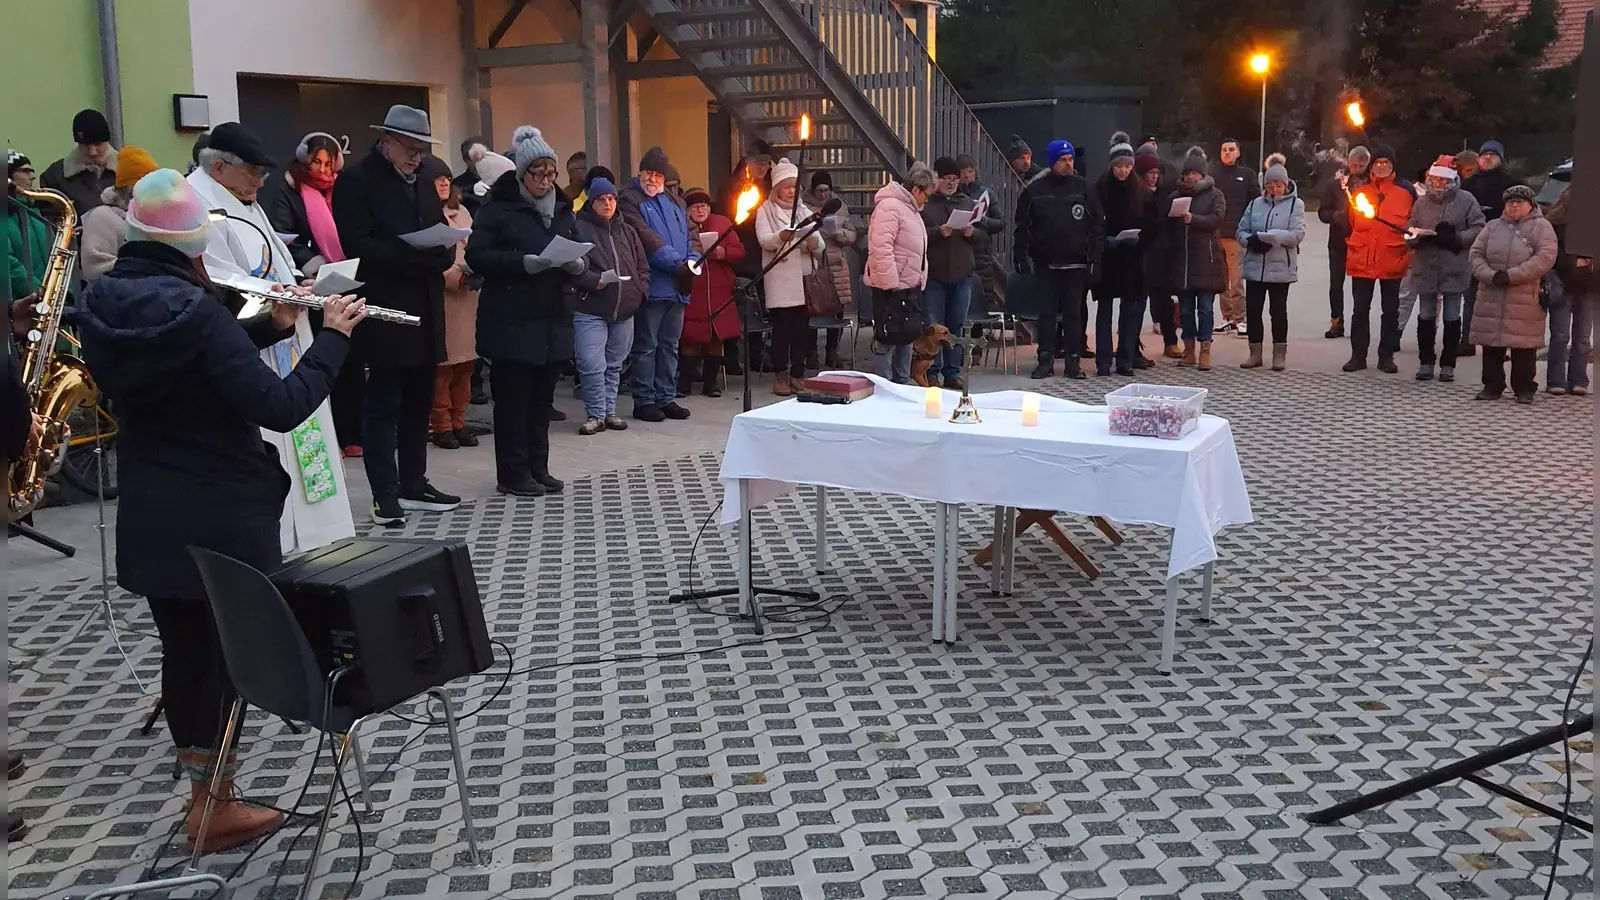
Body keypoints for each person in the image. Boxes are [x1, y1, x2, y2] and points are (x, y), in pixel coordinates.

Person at [78, 168, 367, 855]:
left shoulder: (104, 303)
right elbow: (278, 406)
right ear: (193, 248)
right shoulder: (199, 310)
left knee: (184, 656)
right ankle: (217, 807)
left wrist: (273, 321)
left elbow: (188, 369)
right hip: (223, 514)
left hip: (153, 509)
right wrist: (333, 338)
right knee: (228, 659)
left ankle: (204, 801)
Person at [333, 105, 461, 523]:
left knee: (418, 402)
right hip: (386, 306)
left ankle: (413, 483)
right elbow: (357, 243)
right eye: (409, 148)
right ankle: (383, 494)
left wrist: (440, 253)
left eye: (422, 150)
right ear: (385, 141)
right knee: (384, 405)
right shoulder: (356, 181)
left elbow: (439, 234)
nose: (417, 157)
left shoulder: (424, 180)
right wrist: (413, 259)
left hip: (425, 305)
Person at [465, 126, 582, 495]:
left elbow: (575, 243)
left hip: (551, 319)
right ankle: (513, 475)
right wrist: (522, 262)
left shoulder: (561, 207)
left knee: (540, 402)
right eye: (538, 173)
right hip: (511, 319)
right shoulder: (498, 208)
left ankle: (538, 467)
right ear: (521, 173)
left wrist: (578, 264)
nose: (546, 181)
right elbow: (477, 255)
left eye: (552, 172)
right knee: (514, 402)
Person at [266, 132, 366, 456]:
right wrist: (310, 260)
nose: (323, 169)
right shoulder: (289, 192)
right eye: (316, 161)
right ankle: (331, 431)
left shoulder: (346, 191)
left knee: (352, 361)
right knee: (323, 358)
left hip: (347, 281)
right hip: (311, 286)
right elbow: (283, 237)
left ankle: (353, 432)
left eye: (328, 162)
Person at [618, 146, 699, 421]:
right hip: (653, 284)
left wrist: (694, 260)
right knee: (647, 344)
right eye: (648, 172)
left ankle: (666, 396)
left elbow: (693, 236)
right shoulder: (629, 200)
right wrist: (679, 264)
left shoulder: (676, 202)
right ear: (640, 172)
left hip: (678, 286)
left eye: (657, 174)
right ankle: (644, 399)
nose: (652, 179)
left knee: (669, 344)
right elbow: (646, 238)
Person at [1015, 140, 1103, 379]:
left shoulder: (1084, 188)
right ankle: (1045, 359)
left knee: (1074, 314)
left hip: (1076, 263)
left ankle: (1073, 362)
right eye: (1063, 160)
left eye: (1070, 159)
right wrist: (1020, 255)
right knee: (1047, 314)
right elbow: (1022, 225)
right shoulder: (1035, 190)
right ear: (1053, 161)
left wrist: (1094, 258)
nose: (1068, 164)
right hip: (1047, 263)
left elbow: (1097, 226)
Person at [571, 176, 651, 431]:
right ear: (592, 202)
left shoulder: (626, 230)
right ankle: (595, 414)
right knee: (591, 363)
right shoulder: (579, 228)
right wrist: (594, 281)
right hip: (590, 306)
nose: (608, 204)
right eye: (602, 200)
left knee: (614, 364)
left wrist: (640, 291)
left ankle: (609, 411)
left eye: (612, 199)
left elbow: (642, 265)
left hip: (625, 308)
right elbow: (571, 266)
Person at [1468, 184, 1557, 403]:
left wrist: (1512, 276)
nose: (1514, 205)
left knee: (1523, 345)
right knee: (1491, 343)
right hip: (1491, 294)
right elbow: (1476, 254)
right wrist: (1489, 275)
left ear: (1530, 205)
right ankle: (1492, 385)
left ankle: (1524, 388)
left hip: (1525, 295)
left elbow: (1544, 258)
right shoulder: (1492, 226)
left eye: (1519, 202)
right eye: (1510, 202)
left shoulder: (1542, 227)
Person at [1404, 155, 1485, 382]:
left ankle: (1448, 364)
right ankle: (1426, 362)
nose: (1438, 184)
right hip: (1426, 265)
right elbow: (1410, 227)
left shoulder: (1466, 200)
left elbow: (1479, 227)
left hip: (1454, 266)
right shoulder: (1421, 202)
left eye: (1443, 180)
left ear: (1452, 181)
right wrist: (1415, 237)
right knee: (1426, 315)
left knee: (1452, 315)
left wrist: (1457, 238)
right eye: (1435, 179)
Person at [420, 156, 480, 450]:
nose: (444, 182)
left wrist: (477, 269)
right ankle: (440, 424)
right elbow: (429, 257)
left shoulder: (463, 212)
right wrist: (454, 276)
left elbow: (475, 246)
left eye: (447, 177)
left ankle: (459, 421)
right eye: (436, 178)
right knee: (442, 368)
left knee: (465, 365)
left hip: (468, 299)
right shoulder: (422, 213)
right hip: (442, 298)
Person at [754, 159, 827, 395]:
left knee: (801, 331)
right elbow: (764, 240)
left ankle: (798, 374)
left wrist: (811, 240)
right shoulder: (765, 211)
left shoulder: (805, 210)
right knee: (782, 331)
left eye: (795, 186)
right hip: (780, 281)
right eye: (787, 186)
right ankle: (780, 375)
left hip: (803, 280)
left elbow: (821, 245)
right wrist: (782, 236)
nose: (791, 191)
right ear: (777, 188)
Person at [1342, 145, 1412, 374]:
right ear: (1371, 167)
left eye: (1386, 163)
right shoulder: (1361, 192)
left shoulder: (1405, 193)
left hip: (1392, 258)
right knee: (1360, 310)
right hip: (1362, 259)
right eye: (1378, 163)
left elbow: (1412, 225)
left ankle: (1386, 357)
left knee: (1390, 311)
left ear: (1393, 166)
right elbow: (1353, 223)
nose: (1382, 167)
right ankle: (1358, 356)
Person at [1153, 150, 1224, 370]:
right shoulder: (1175, 197)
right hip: (1182, 261)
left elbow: (1217, 219)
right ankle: (1188, 349)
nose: (1190, 177)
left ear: (1202, 175)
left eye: (1195, 173)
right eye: (1187, 173)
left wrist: (1194, 219)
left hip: (1206, 261)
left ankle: (1205, 351)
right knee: (1184, 310)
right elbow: (1163, 225)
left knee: (1205, 308)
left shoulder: (1215, 195)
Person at [865, 164, 934, 383]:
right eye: (927, 195)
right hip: (893, 286)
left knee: (907, 334)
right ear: (916, 190)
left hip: (908, 284)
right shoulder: (890, 207)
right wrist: (890, 282)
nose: (927, 201)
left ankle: (902, 382)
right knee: (887, 334)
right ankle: (884, 384)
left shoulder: (910, 209)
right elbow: (880, 246)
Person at [1235, 163, 1305, 371]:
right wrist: (1252, 240)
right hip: (1255, 265)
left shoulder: (1296, 205)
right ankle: (1254, 353)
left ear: (1286, 184)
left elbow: (1297, 234)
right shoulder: (1255, 204)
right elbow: (1241, 231)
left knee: (1278, 311)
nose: (1274, 189)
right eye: (1270, 185)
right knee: (1254, 311)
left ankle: (1279, 354)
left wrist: (1273, 238)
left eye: (1278, 185)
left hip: (1280, 267)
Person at [1459, 140, 1525, 358]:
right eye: (1484, 154)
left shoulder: (1512, 184)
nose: (1487, 157)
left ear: (1500, 159)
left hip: (1503, 247)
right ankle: (1466, 340)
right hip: (1473, 246)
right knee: (1470, 295)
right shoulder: (1467, 184)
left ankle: (1499, 344)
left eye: (1492, 155)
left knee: (1499, 298)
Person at [920, 157, 981, 388]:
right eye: (947, 178)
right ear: (937, 179)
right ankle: (932, 372)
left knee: (956, 326)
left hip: (961, 273)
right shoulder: (926, 203)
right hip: (934, 274)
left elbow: (982, 236)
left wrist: (972, 233)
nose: (951, 183)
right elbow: (918, 234)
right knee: (934, 327)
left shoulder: (966, 202)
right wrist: (937, 232)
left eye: (955, 179)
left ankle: (953, 372)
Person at [677, 187, 744, 399]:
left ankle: (710, 383)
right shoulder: (681, 226)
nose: (700, 209)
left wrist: (722, 252)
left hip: (719, 292)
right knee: (690, 339)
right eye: (695, 206)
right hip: (693, 290)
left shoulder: (722, 223)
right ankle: (684, 384)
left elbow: (739, 251)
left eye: (703, 205)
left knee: (716, 340)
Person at [1093, 139, 1149, 375]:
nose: (1124, 170)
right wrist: (1104, 240)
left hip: (1131, 258)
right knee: (1104, 310)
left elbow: (1151, 223)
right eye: (1119, 166)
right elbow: (1093, 219)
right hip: (1108, 257)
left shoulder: (1140, 190)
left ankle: (1125, 359)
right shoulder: (1100, 188)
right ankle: (1103, 360)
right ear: (1112, 166)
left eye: (1128, 165)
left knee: (1129, 310)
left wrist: (1140, 240)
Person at [79, 146, 159, 278]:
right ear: (131, 190)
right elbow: (95, 268)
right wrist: (145, 268)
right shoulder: (103, 218)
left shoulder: (155, 216)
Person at [805, 171, 858, 369]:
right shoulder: (804, 206)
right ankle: (811, 353)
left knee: (837, 308)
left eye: (826, 190)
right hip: (814, 261)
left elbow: (852, 236)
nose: (822, 194)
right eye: (818, 190)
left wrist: (837, 232)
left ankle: (832, 353)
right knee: (812, 307)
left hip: (836, 262)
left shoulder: (840, 206)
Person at [1545, 186, 1593, 395]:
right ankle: (1555, 380)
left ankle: (1579, 380)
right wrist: (1577, 261)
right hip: (1562, 283)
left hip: (1590, 285)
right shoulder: (1554, 224)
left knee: (1583, 336)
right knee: (1560, 335)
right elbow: (1552, 256)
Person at [1318, 145, 1369, 339]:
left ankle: (1359, 323)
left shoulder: (1369, 185)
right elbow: (1322, 212)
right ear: (1348, 162)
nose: (1357, 169)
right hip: (1338, 243)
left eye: (1361, 166)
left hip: (1362, 242)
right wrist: (1336, 216)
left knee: (1360, 287)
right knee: (1335, 285)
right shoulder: (1336, 184)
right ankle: (1336, 322)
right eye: (1354, 165)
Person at [1211, 139, 1259, 336]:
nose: (1227, 153)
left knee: (1236, 280)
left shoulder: (1247, 175)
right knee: (1221, 279)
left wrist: (1248, 229)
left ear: (1238, 152)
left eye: (1231, 150)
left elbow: (1255, 202)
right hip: (1215, 235)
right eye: (1223, 150)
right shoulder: (1213, 174)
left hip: (1236, 236)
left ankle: (1240, 319)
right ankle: (1227, 318)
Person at [1137, 152, 1181, 359]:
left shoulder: (1166, 195)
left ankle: (1171, 342)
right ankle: (1131, 343)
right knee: (1136, 301)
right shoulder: (1134, 193)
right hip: (1140, 253)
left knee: (1164, 300)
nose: (1154, 177)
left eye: (1156, 173)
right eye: (1150, 173)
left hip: (1163, 253)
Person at [40, 109, 117, 215]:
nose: (92, 152)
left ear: (107, 141)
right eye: (86, 145)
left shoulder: (131, 171)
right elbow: (49, 221)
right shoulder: (55, 177)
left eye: (98, 144)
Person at [7, 167, 51, 303]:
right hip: (22, 306)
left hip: (50, 300)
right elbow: (9, 264)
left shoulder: (34, 213)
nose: (32, 176)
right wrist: (38, 292)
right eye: (25, 171)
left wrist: (66, 292)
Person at [453, 136, 489, 215]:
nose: (482, 162)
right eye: (477, 158)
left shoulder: (499, 180)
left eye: (485, 157)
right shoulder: (456, 185)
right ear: (466, 160)